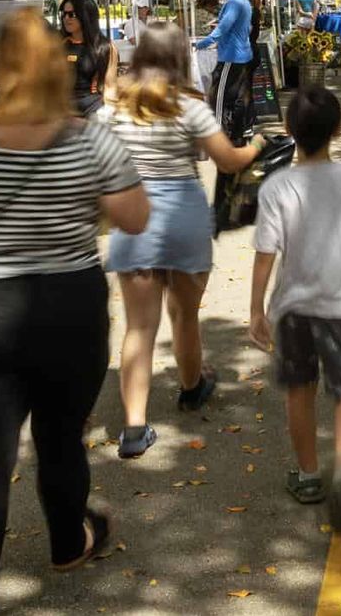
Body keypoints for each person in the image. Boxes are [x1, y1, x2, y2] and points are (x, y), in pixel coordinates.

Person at [0, 9, 148, 616]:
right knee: (62, 438)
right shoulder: (90, 138)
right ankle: (69, 541)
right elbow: (134, 217)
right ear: (54, 67)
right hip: (65, 304)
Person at [100, 23, 267, 457]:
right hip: (184, 218)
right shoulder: (189, 107)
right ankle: (192, 388)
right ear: (178, 58)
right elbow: (228, 161)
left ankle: (134, 428)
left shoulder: (115, 110)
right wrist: (258, 145)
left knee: (139, 326)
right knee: (185, 316)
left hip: (133, 217)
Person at [249, 87, 341, 534]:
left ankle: (308, 476)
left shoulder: (277, 185)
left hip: (293, 309)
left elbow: (266, 254)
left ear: (289, 131)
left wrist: (256, 310)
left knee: (300, 388)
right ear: (338, 130)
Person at [194, 0, 254, 144]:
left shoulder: (235, 2)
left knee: (218, 97)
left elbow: (222, 29)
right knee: (238, 98)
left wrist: (199, 44)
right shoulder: (243, 1)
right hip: (241, 55)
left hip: (231, 56)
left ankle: (218, 136)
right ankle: (237, 135)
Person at [59, 0, 118, 116]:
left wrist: (109, 111)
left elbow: (110, 85)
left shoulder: (105, 47)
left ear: (85, 16)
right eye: (64, 14)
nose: (66, 19)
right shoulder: (58, 44)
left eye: (72, 15)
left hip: (93, 110)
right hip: (61, 111)